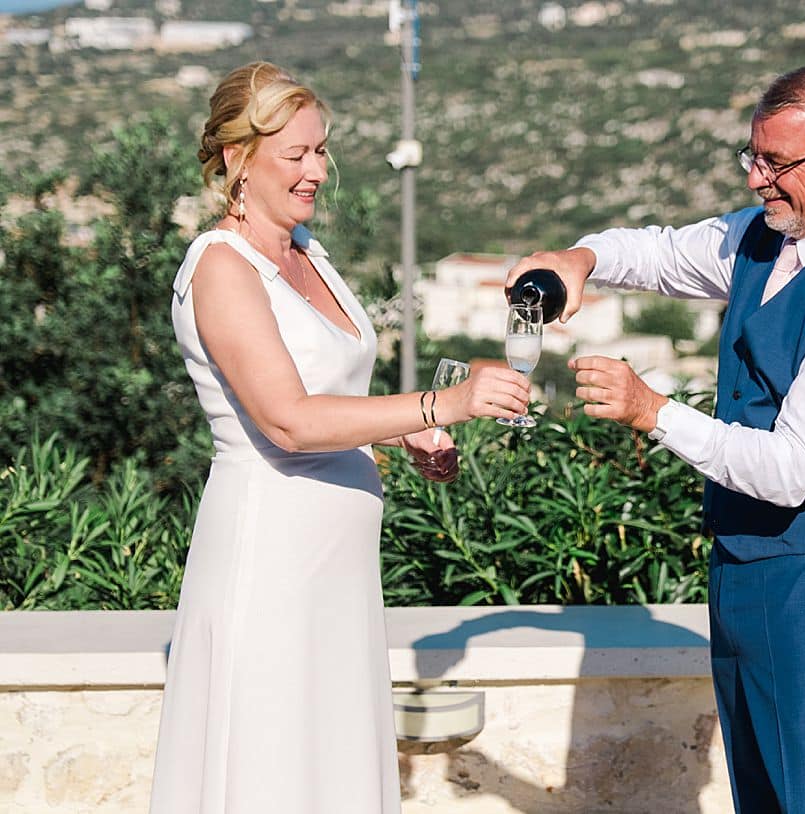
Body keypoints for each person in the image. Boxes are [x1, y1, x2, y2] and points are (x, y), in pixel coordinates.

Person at [506, 64, 805, 813]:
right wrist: (579, 259)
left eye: (776, 163)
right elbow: (656, 253)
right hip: (743, 558)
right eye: (752, 157)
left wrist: (652, 410)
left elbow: (793, 470)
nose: (755, 180)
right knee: (762, 799)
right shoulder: (761, 238)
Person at [150, 62, 530, 813]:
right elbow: (288, 421)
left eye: (321, 150)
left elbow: (335, 400)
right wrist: (441, 405)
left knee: (331, 772)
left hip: (338, 571)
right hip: (271, 563)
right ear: (236, 158)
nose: (317, 171)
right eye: (296, 154)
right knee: (270, 768)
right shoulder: (222, 267)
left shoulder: (309, 252)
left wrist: (398, 439)